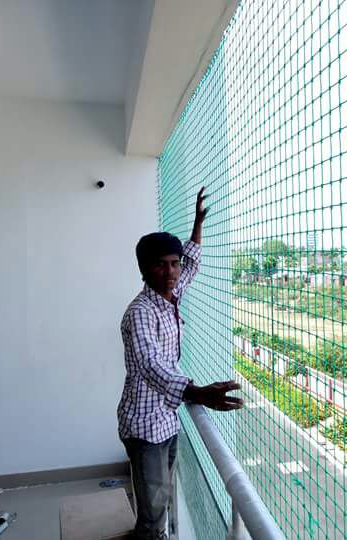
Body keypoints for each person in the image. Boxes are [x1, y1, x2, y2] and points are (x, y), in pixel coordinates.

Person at [117, 186, 243, 540]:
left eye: (174, 264)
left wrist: (198, 224)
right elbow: (151, 365)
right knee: (152, 513)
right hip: (144, 426)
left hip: (166, 420)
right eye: (160, 264)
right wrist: (198, 393)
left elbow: (193, 262)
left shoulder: (169, 295)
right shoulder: (140, 313)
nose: (171, 272)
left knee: (162, 498)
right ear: (144, 269)